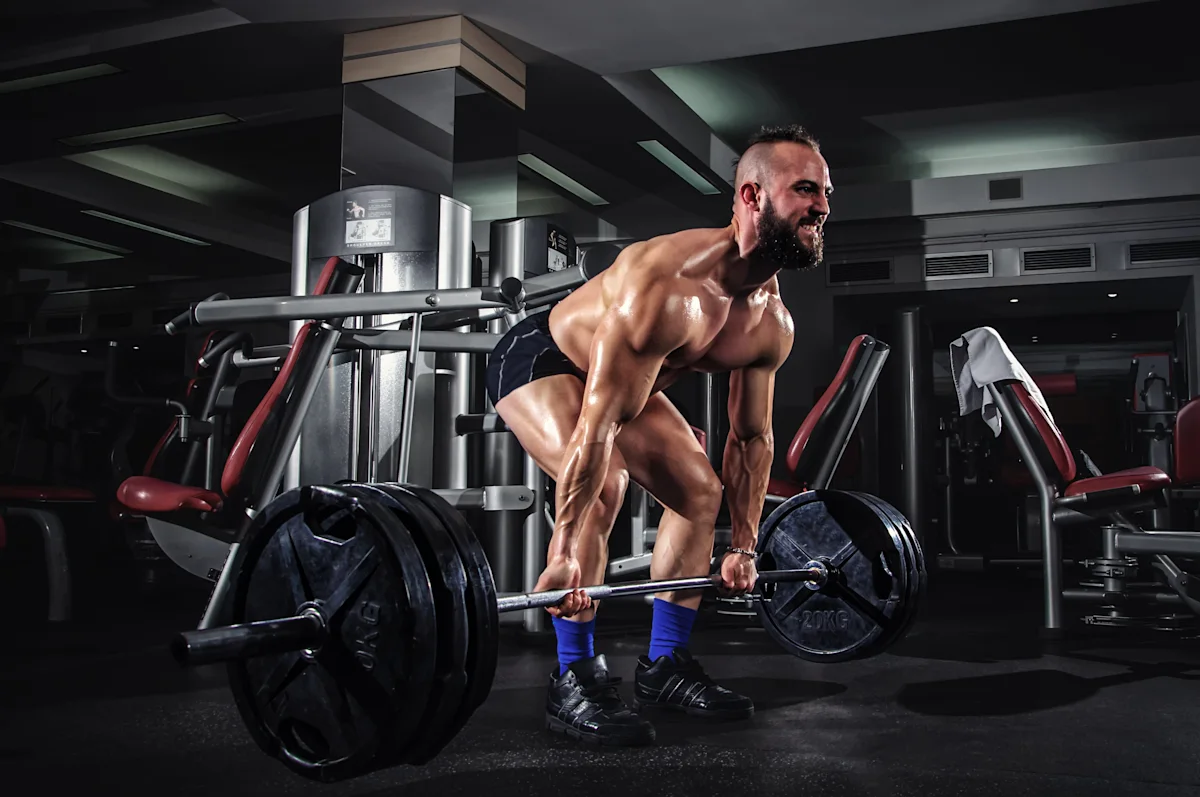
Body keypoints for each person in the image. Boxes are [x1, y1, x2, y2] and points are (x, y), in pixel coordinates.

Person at [485, 123, 831, 745]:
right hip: (544, 357)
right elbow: (599, 425)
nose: (822, 207)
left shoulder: (770, 322)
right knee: (606, 487)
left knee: (700, 492)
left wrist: (745, 546)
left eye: (825, 193)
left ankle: (664, 665)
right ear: (752, 196)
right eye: (805, 190)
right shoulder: (667, 287)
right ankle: (574, 677)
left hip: (617, 383)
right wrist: (563, 552)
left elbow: (750, 440)